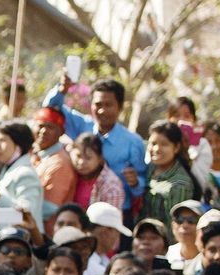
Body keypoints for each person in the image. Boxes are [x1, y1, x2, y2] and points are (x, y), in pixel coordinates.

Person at [44, 76, 147, 209]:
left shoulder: (133, 142)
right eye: (98, 104)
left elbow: (142, 184)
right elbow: (51, 108)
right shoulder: (81, 126)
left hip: (116, 213)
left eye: (108, 105)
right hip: (79, 212)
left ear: (120, 107)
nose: (102, 110)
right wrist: (62, 89)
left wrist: (135, 182)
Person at [143, 121, 203, 234]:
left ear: (176, 147)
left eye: (164, 144)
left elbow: (174, 229)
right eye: (153, 143)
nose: (156, 149)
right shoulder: (147, 170)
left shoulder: (179, 185)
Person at [32, 107, 77, 216]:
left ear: (61, 132)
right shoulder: (36, 154)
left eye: (50, 127)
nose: (43, 131)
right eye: (40, 125)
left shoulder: (60, 164)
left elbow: (49, 209)